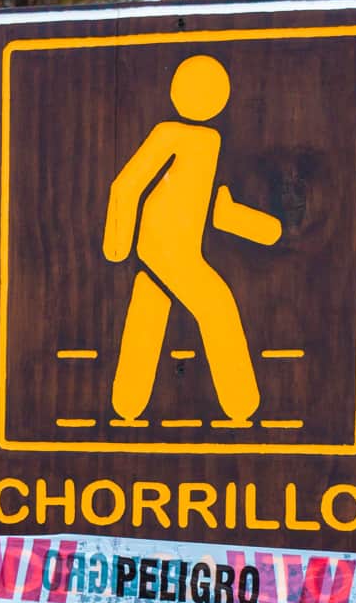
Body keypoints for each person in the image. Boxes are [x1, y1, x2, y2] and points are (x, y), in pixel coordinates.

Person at [103, 53, 282, 427]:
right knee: (216, 303)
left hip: (181, 245)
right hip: (160, 243)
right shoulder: (168, 134)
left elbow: (212, 206)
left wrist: (261, 228)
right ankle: (241, 405)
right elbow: (127, 184)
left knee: (150, 306)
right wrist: (117, 242)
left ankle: (127, 405)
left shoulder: (211, 142)